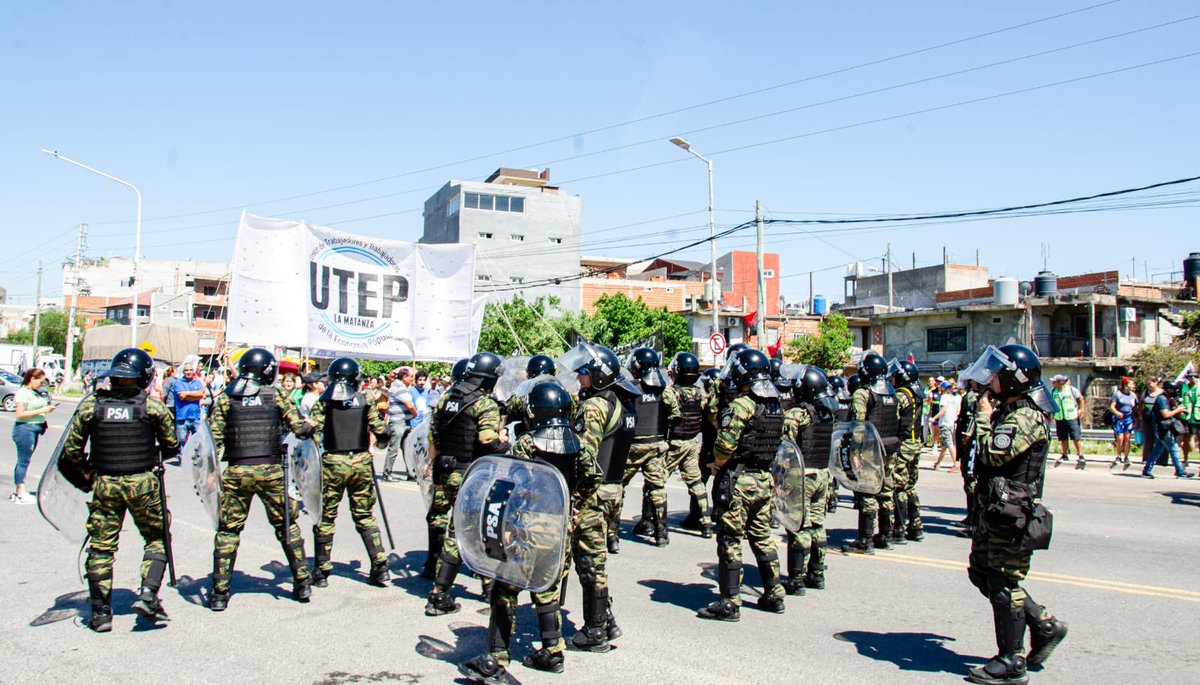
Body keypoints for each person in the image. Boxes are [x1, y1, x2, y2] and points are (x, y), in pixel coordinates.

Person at [458, 381, 599, 682]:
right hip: (560, 525)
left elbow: (511, 481)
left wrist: (507, 523)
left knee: (506, 587)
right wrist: (574, 503)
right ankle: (552, 651)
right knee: (547, 587)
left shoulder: (527, 443)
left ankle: (496, 658)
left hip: (527, 524)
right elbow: (591, 478)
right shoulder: (579, 443)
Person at [960, 344, 1068, 685]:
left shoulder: (1025, 416)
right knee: (982, 572)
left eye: (996, 376)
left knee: (1003, 583)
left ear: (1012, 380)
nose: (989, 381)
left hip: (1012, 513)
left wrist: (981, 417)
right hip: (996, 508)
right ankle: (1045, 625)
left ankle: (1011, 661)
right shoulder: (1012, 410)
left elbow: (992, 454)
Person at [59, 348, 180, 632]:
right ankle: (148, 595)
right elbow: (172, 446)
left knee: (101, 547)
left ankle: (100, 612)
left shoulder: (91, 407)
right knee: (157, 538)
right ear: (144, 377)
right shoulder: (152, 408)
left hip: (106, 484)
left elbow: (71, 452)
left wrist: (88, 476)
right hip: (143, 484)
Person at [206, 349, 314, 611]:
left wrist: (209, 473)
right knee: (286, 525)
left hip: (237, 471)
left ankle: (220, 593)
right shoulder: (275, 395)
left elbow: (212, 439)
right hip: (271, 471)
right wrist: (310, 425)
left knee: (228, 530)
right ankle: (302, 582)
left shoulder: (227, 397)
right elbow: (299, 430)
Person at [698, 347, 786, 621]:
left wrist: (716, 464)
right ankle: (775, 594)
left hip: (738, 480)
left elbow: (725, 446)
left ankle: (730, 602)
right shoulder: (776, 406)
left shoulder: (742, 405)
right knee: (762, 537)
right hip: (763, 479)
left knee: (730, 539)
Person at [564, 341, 639, 651]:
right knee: (593, 557)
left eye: (583, 373)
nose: (579, 378)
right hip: (612, 488)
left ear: (597, 375)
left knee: (589, 561)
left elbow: (585, 457)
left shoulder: (595, 406)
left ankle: (595, 631)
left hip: (593, 493)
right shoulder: (622, 401)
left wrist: (577, 500)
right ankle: (606, 620)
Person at [425, 352, 510, 616]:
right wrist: (504, 441)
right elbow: (486, 440)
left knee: (471, 529)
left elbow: (433, 438)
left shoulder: (447, 398)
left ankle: (487, 586)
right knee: (464, 533)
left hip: (448, 472)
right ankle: (439, 595)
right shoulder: (484, 404)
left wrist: (436, 474)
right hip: (472, 475)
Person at [304, 358, 392, 588]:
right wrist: (383, 439)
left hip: (333, 461)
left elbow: (311, 431)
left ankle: (321, 571)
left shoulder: (325, 401)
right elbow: (380, 429)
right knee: (364, 516)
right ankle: (380, 566)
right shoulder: (364, 399)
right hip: (361, 462)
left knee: (326, 517)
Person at [780, 365, 836, 595]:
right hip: (823, 474)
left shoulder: (798, 414)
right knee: (818, 525)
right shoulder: (827, 412)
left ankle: (796, 579)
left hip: (803, 476)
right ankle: (817, 573)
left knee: (799, 526)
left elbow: (785, 447)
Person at [843, 351, 900, 555]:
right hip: (890, 447)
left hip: (870, 449)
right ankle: (886, 535)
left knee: (867, 492)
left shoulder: (862, 393)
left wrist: (855, 453)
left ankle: (865, 540)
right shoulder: (892, 393)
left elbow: (858, 425)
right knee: (886, 491)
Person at [617, 348, 670, 549]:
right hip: (656, 445)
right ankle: (661, 533)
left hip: (633, 445)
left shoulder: (630, 388)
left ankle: (611, 534)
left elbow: (621, 417)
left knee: (617, 486)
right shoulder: (664, 390)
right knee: (657, 488)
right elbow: (674, 416)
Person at [660, 352, 712, 538]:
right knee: (696, 483)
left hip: (674, 444)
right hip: (691, 444)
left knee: (657, 482)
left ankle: (656, 523)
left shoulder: (670, 392)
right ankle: (706, 524)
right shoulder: (700, 394)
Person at [890, 359, 925, 543]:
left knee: (899, 486)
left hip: (904, 444)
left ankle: (899, 528)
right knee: (910, 485)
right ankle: (916, 525)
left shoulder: (901, 395)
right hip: (915, 442)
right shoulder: (917, 392)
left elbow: (893, 417)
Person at [11, 368, 56, 503]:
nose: (42, 384)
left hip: (34, 429)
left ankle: (18, 490)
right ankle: (20, 492)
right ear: (32, 379)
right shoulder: (23, 393)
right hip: (25, 429)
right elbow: (20, 414)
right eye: (41, 382)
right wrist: (43, 410)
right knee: (23, 461)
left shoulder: (33, 392)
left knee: (24, 460)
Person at [1142, 378, 1195, 479]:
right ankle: (1180, 472)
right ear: (1168, 389)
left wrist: (1175, 406)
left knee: (1157, 450)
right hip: (1163, 428)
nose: (1174, 391)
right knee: (1174, 449)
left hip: (1162, 428)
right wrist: (1177, 410)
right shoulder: (1162, 399)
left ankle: (1146, 470)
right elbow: (1165, 414)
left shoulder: (1166, 398)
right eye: (1173, 389)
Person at [954, 380, 984, 539]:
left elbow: (974, 418)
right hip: (969, 443)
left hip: (973, 443)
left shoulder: (975, 396)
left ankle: (975, 520)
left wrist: (968, 435)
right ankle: (972, 517)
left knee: (972, 483)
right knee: (969, 482)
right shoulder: (975, 395)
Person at [381, 367, 418, 482]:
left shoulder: (402, 387)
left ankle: (411, 473)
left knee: (407, 448)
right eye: (410, 377)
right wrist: (415, 413)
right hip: (398, 422)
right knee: (394, 449)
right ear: (404, 377)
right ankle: (387, 473)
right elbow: (409, 405)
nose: (412, 379)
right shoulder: (399, 387)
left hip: (405, 422)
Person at [1049, 375, 1086, 470]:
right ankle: (1065, 454)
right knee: (1063, 438)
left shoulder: (1071, 390)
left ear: (1060, 383)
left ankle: (1081, 455)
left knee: (1076, 437)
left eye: (1054, 382)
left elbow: (1081, 399)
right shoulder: (1053, 391)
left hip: (1071, 417)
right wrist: (1053, 416)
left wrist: (1081, 410)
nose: (1052, 383)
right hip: (1060, 418)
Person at [171, 362, 206, 454]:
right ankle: (183, 459)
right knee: (182, 442)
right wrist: (195, 395)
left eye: (190, 370)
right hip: (182, 417)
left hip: (195, 416)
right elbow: (182, 396)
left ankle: (196, 459)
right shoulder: (178, 383)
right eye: (186, 370)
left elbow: (201, 394)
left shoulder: (197, 382)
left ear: (193, 371)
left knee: (198, 442)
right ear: (183, 372)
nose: (188, 372)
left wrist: (187, 394)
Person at [1108, 377, 1137, 470]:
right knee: (1120, 438)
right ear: (1125, 385)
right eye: (1131, 384)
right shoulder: (1118, 394)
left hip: (1129, 417)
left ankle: (1126, 457)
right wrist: (1117, 413)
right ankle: (1118, 455)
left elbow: (1136, 407)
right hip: (1119, 417)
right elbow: (1112, 406)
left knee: (1127, 438)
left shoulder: (1133, 395)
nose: (1133, 386)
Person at [931, 382, 960, 470]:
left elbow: (943, 409)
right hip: (951, 423)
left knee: (949, 444)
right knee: (944, 445)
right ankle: (938, 463)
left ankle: (955, 463)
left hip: (945, 423)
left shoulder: (944, 397)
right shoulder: (954, 397)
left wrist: (934, 418)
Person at [1179, 370, 1200, 466]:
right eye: (1190, 377)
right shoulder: (1184, 387)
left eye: (1194, 376)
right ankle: (1185, 459)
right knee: (1186, 438)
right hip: (1187, 415)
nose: (1192, 378)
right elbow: (1180, 399)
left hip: (1198, 415)